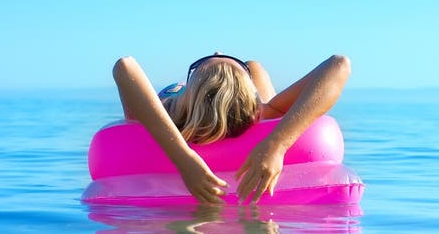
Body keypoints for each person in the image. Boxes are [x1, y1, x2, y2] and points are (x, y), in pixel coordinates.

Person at [112, 51, 351, 205]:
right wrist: (276, 144)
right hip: (237, 102)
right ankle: (245, 71)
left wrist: (276, 145)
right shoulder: (262, 112)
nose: (216, 50)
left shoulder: (169, 112)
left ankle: (244, 71)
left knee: (253, 66)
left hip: (211, 102)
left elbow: (125, 65)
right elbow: (339, 64)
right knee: (254, 66)